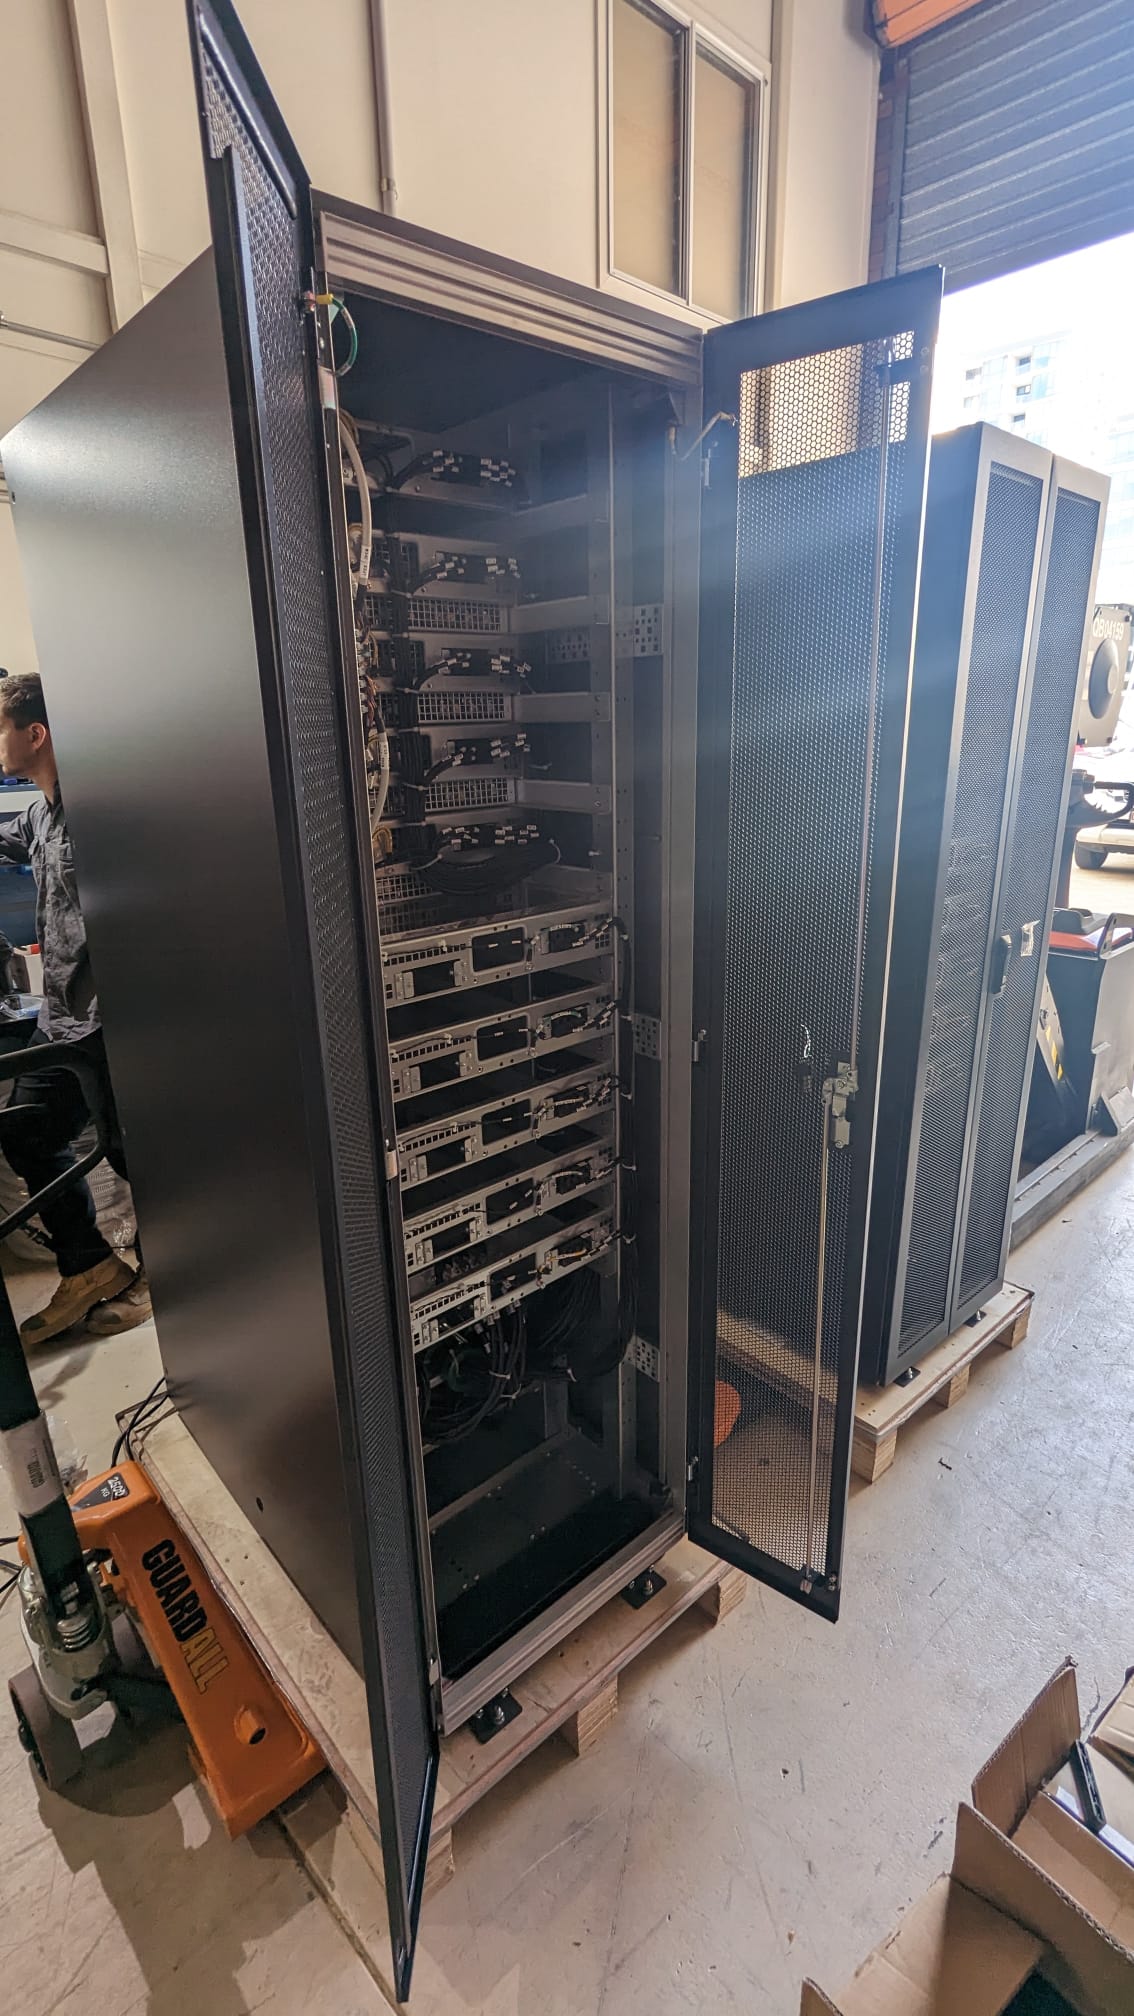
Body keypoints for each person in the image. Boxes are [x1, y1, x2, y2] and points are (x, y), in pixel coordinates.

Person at [0, 673, 150, 1345]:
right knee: (27, 1132)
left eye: (0, 729)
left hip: (114, 1019)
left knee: (135, 1154)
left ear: (35, 734)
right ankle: (89, 1265)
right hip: (62, 1018)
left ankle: (165, 1274)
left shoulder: (105, 813)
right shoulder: (41, 814)